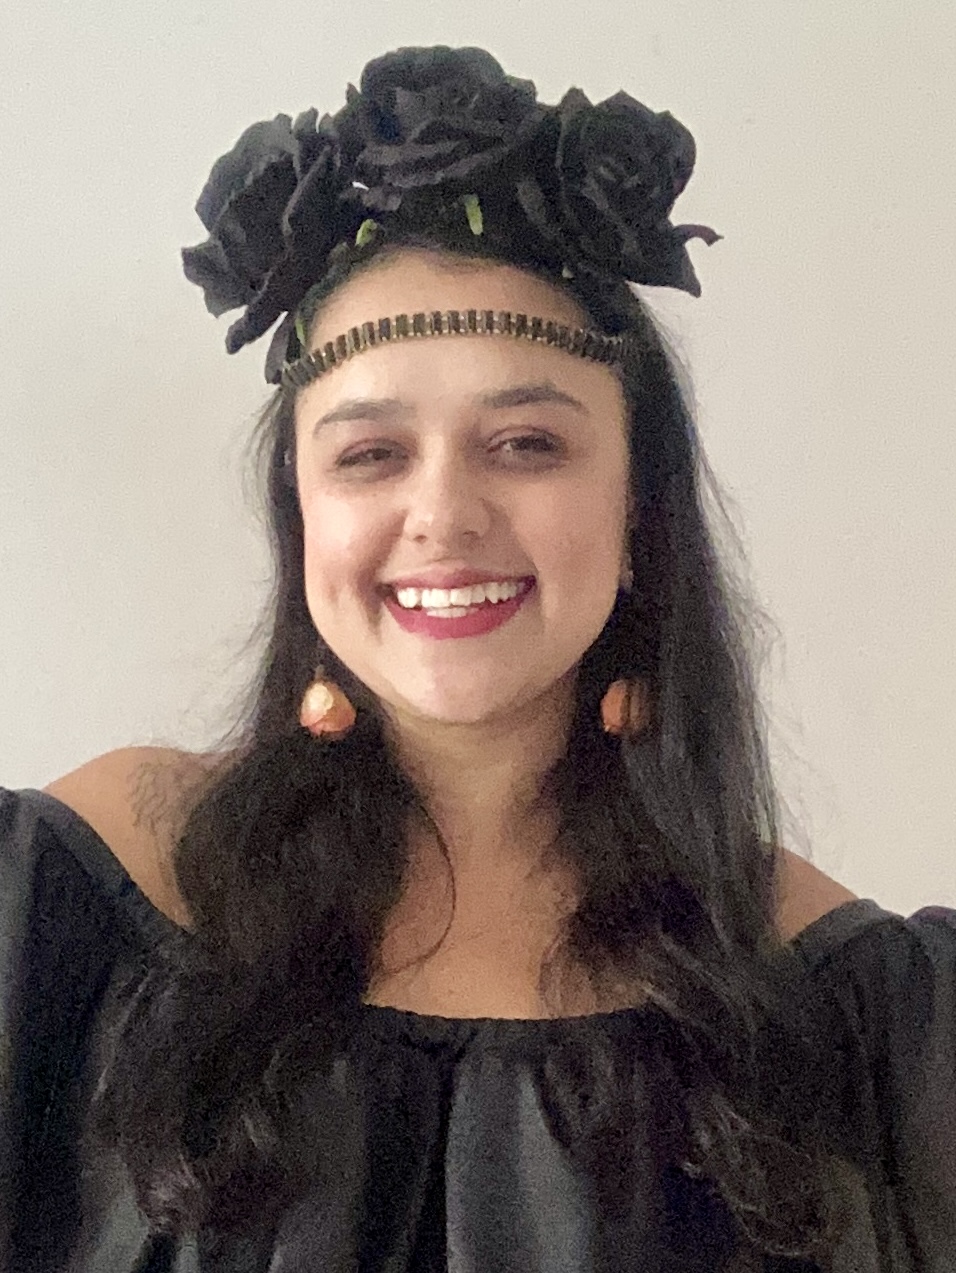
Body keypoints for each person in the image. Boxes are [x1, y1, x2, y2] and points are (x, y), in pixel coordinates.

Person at [1, 45, 953, 1273]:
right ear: (301, 517)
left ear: (636, 510)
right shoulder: (83, 896)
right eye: (369, 455)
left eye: (525, 444)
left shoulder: (850, 1011)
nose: (443, 516)